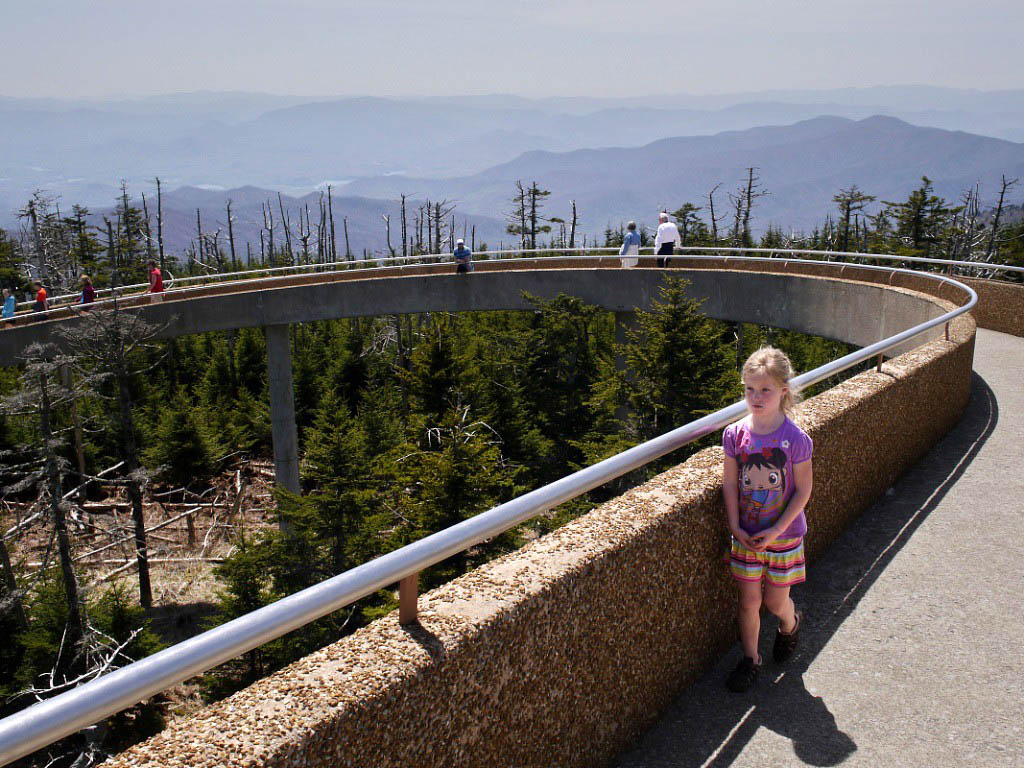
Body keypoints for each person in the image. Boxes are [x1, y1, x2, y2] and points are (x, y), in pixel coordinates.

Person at [721, 346, 813, 692]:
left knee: (775, 602)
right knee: (748, 601)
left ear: (783, 391)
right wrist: (734, 524)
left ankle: (790, 624)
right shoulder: (735, 435)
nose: (756, 397)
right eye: (749, 389)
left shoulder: (795, 440)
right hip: (746, 534)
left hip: (784, 536)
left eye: (765, 390)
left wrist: (776, 529)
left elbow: (803, 490)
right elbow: (730, 482)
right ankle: (750, 660)